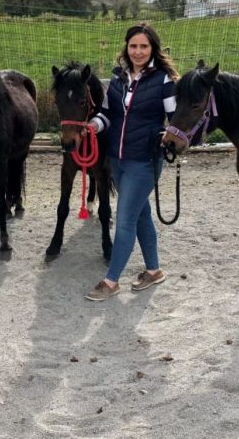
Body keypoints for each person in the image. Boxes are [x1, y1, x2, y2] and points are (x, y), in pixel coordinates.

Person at [85, 23, 178, 301]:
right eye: (133, 46)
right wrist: (91, 127)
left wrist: (166, 134)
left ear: (153, 49)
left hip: (144, 161)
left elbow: (175, 123)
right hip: (117, 159)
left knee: (124, 220)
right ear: (127, 47)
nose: (138, 51)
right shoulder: (117, 80)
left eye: (144, 46)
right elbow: (107, 116)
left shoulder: (164, 81)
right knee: (140, 214)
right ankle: (154, 270)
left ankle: (111, 281)